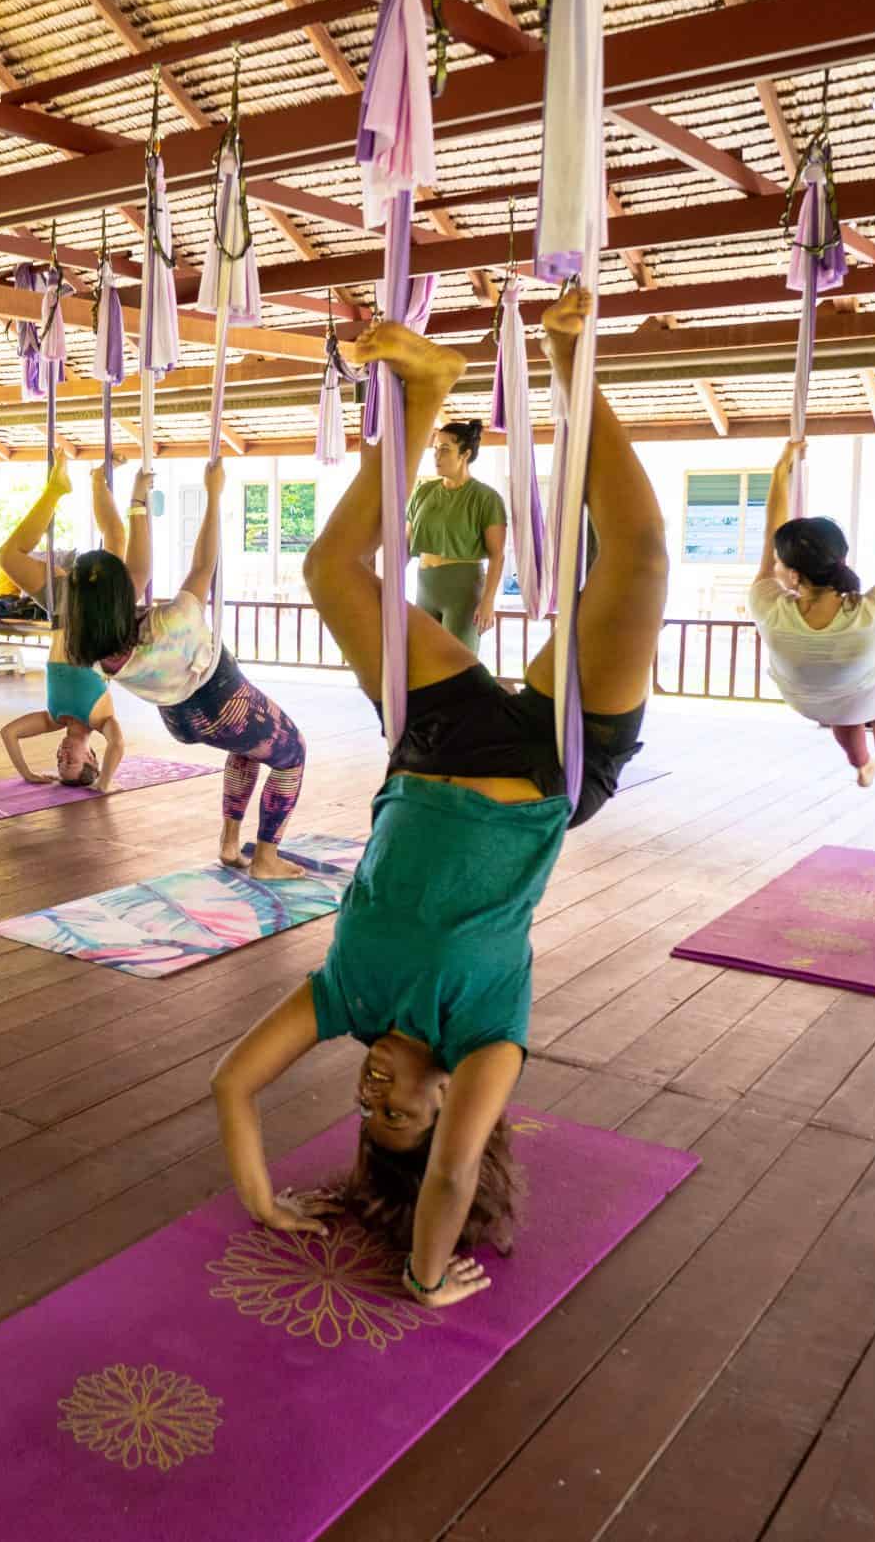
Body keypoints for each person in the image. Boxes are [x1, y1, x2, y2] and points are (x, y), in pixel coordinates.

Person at [210, 288, 668, 1310]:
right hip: (553, 772)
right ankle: (571, 366)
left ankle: (423, 391)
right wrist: (421, 1276)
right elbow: (455, 1175)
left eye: (360, 1101)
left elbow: (233, 1086)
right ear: (448, 1102)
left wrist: (261, 1199)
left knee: (328, 566)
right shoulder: (486, 1038)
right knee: (634, 563)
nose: (374, 1092)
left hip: (431, 744)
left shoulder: (348, 999)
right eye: (398, 1115)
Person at [60, 459, 308, 880]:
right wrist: (214, 495)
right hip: (222, 701)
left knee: (247, 748)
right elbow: (201, 569)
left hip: (180, 718)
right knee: (293, 754)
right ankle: (266, 858)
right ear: (121, 594)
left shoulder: (96, 641)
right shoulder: (168, 624)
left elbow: (137, 568)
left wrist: (138, 498)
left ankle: (230, 845)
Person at [752, 433, 875, 881]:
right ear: (842, 558)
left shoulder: (766, 603)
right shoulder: (874, 610)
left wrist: (781, 470)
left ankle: (861, 764)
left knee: (843, 709)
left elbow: (767, 537)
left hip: (808, 703)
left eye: (778, 561)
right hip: (860, 699)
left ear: (791, 572)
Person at [0, 456, 131, 792]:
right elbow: (119, 746)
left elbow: (8, 734)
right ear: (92, 757)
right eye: (71, 762)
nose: (62, 756)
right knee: (115, 538)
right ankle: (99, 480)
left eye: (58, 762)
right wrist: (104, 784)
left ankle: (55, 490)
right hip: (96, 612)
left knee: (8, 556)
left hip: (63, 608)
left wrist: (27, 774)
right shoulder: (102, 721)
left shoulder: (52, 718)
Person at [404, 417, 509, 654]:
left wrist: (488, 601)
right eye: (434, 449)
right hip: (425, 586)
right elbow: (405, 546)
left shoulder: (486, 498)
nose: (436, 456)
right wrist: (387, 585)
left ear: (465, 454)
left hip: (463, 589)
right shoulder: (423, 492)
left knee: (457, 666)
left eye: (445, 449)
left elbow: (497, 556)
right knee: (425, 664)